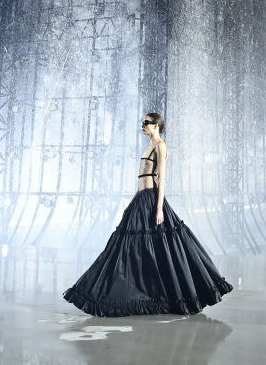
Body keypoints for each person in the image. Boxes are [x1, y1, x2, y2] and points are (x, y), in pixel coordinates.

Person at [63, 112, 233, 316]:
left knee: (162, 248)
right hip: (142, 200)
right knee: (134, 248)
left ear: (157, 126)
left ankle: (177, 294)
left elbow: (162, 178)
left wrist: (160, 207)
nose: (143, 126)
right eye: (142, 122)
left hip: (152, 201)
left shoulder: (160, 145)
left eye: (147, 123)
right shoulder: (150, 145)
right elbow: (142, 179)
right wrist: (132, 202)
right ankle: (134, 293)